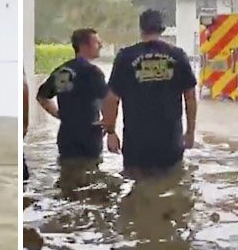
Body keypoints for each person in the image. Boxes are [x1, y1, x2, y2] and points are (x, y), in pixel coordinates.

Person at [101, 10, 197, 173]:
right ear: (162, 29)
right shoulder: (177, 55)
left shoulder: (125, 56)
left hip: (136, 143)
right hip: (170, 140)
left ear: (141, 29)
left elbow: (111, 99)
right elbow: (190, 97)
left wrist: (111, 132)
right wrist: (190, 132)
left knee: (136, 186)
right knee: (172, 186)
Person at [37, 28, 107, 161]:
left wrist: (59, 114)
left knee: (67, 172)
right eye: (97, 43)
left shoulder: (62, 71)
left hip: (66, 135)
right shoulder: (93, 72)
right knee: (90, 174)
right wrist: (108, 125)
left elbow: (42, 96)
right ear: (84, 46)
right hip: (89, 135)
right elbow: (107, 100)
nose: (101, 46)